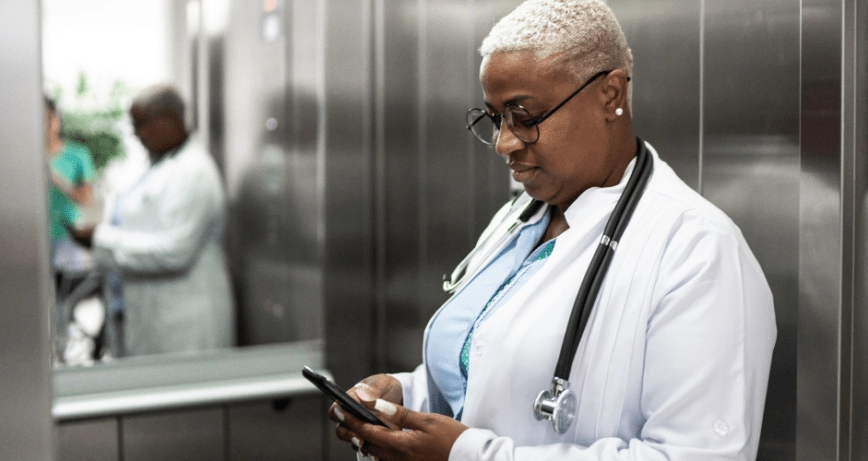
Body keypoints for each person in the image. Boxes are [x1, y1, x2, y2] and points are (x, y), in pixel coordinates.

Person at [329, 1, 777, 460]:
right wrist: (406, 403)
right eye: (495, 118)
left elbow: (697, 455)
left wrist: (468, 457)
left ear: (610, 95)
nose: (504, 142)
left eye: (524, 116)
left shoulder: (697, 251)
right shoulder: (523, 217)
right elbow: (485, 377)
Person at [71, 85, 234, 356]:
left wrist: (100, 238)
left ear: (169, 119)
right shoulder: (158, 165)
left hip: (184, 325)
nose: (135, 133)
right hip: (154, 319)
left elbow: (174, 253)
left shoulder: (193, 172)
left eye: (140, 124)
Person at [46, 97, 97, 276]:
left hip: (68, 237)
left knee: (69, 295)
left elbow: (85, 199)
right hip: (33, 238)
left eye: (50, 118)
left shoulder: (78, 155)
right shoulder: (23, 156)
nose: (46, 124)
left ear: (58, 119)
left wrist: (55, 179)